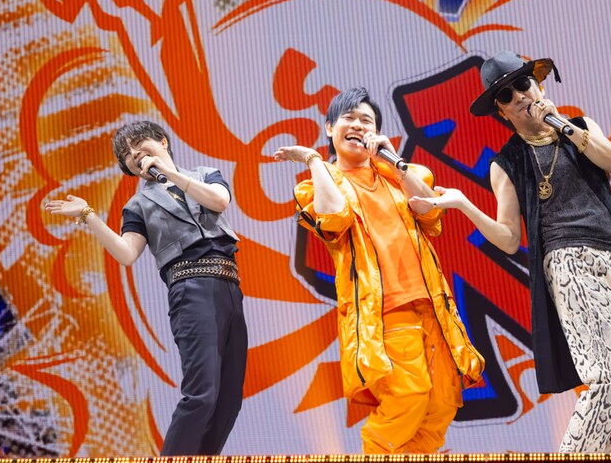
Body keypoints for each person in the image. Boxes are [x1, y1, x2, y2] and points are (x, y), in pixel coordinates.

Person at [410, 51, 611, 453]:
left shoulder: (580, 127)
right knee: (609, 381)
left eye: (523, 84)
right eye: (506, 95)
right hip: (568, 263)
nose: (518, 96)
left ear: (539, 86)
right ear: (500, 111)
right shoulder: (507, 162)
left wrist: (564, 126)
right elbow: (509, 238)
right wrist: (464, 204)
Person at [274, 87, 484, 454]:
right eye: (349, 119)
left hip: (432, 306)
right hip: (385, 312)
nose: (357, 125)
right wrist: (313, 160)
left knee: (441, 405)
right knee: (408, 395)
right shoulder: (317, 185)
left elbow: (431, 212)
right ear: (329, 128)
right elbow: (334, 219)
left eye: (366, 121)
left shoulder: (397, 175)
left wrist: (396, 163)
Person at [45, 121, 247, 456]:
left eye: (139, 143)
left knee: (229, 400)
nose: (134, 153)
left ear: (163, 142)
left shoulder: (204, 174)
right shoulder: (138, 206)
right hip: (191, 289)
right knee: (202, 394)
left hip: (229, 286)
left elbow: (220, 200)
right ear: (128, 168)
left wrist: (172, 175)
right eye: (126, 154)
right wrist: (89, 216)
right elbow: (127, 253)